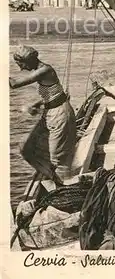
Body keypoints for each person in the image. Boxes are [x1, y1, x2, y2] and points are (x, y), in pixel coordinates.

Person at [9, 45, 76, 184]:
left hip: (59, 114)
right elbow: (53, 92)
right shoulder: (43, 72)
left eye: (21, 64)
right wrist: (38, 104)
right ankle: (54, 177)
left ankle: (63, 187)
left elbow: (14, 84)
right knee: (26, 148)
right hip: (50, 112)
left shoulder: (45, 70)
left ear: (29, 60)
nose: (21, 69)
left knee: (58, 160)